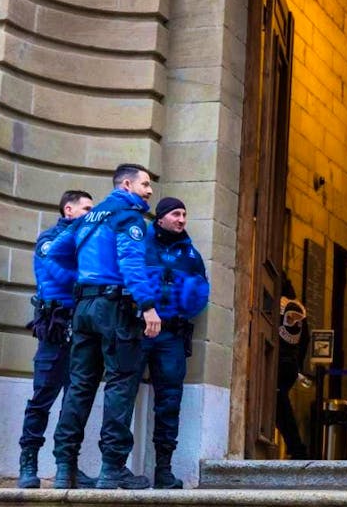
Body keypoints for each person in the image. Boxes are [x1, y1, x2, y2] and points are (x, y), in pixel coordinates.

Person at [45, 163, 163, 489]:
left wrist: (83, 280)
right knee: (120, 384)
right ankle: (112, 469)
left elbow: (54, 252)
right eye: (144, 185)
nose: (149, 191)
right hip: (113, 309)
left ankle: (64, 469)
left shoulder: (87, 218)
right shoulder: (128, 217)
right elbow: (130, 261)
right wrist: (148, 305)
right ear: (126, 185)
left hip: (83, 307)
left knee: (80, 386)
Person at [18, 190, 97, 489]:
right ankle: (29, 463)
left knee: (74, 401)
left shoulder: (86, 241)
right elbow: (61, 274)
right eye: (86, 208)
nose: (91, 214)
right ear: (69, 210)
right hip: (55, 326)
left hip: (82, 326)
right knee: (42, 398)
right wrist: (92, 277)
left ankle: (68, 466)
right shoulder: (49, 240)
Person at [138, 197, 209, 488]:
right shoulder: (141, 243)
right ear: (160, 218)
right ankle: (113, 467)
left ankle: (163, 469)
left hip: (172, 336)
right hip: (139, 331)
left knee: (169, 402)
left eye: (184, 214)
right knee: (123, 393)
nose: (181, 220)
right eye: (175, 214)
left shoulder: (191, 255)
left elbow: (201, 292)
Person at [275, 295, 311, 460]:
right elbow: (304, 341)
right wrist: (298, 367)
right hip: (289, 366)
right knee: (279, 407)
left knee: (280, 407)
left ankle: (297, 449)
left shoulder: (279, 305)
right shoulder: (299, 310)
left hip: (277, 365)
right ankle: (296, 449)